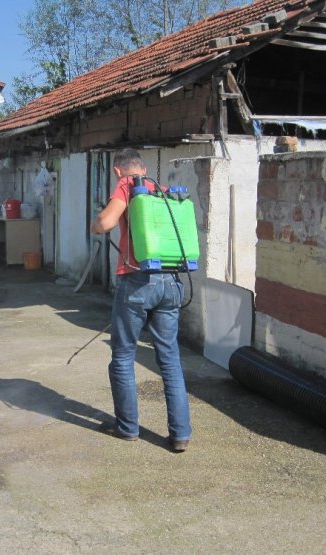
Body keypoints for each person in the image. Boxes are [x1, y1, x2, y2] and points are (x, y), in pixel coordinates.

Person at [90, 149, 192, 452]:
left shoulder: (126, 186)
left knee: (122, 357)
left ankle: (128, 427)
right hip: (171, 282)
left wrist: (97, 223)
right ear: (143, 168)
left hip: (136, 282)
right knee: (170, 360)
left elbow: (107, 222)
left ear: (118, 172)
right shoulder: (156, 189)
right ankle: (180, 435)